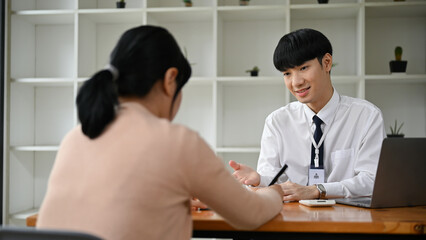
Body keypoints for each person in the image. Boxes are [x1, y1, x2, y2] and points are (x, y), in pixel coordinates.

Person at [36, 25, 284, 240]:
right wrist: (274, 191)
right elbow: (251, 215)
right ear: (170, 79)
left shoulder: (77, 136)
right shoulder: (177, 141)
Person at [230, 28, 386, 201]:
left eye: (303, 68)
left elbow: (374, 181)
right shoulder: (277, 121)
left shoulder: (366, 116)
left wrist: (318, 190)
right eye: (287, 73)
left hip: (348, 220)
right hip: (293, 220)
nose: (296, 82)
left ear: (326, 63)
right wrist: (259, 180)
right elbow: (274, 182)